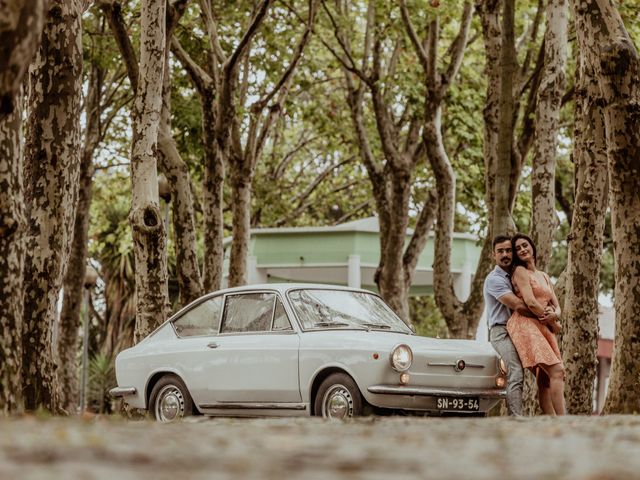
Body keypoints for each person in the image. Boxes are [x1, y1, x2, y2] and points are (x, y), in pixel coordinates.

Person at [507, 233, 565, 415]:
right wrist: (553, 324)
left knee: (545, 381)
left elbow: (557, 306)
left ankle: (552, 422)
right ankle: (565, 421)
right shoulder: (519, 271)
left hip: (544, 326)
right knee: (557, 371)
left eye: (525, 245)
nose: (522, 249)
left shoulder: (544, 276)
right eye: (518, 249)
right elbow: (530, 302)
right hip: (525, 324)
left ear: (532, 247)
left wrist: (554, 317)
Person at [484, 235, 536, 416]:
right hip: (501, 332)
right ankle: (516, 417)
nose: (505, 254)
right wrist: (545, 316)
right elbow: (519, 305)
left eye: (508, 250)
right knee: (515, 370)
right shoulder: (494, 279)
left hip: (520, 329)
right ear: (493, 255)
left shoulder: (516, 274)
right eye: (500, 251)